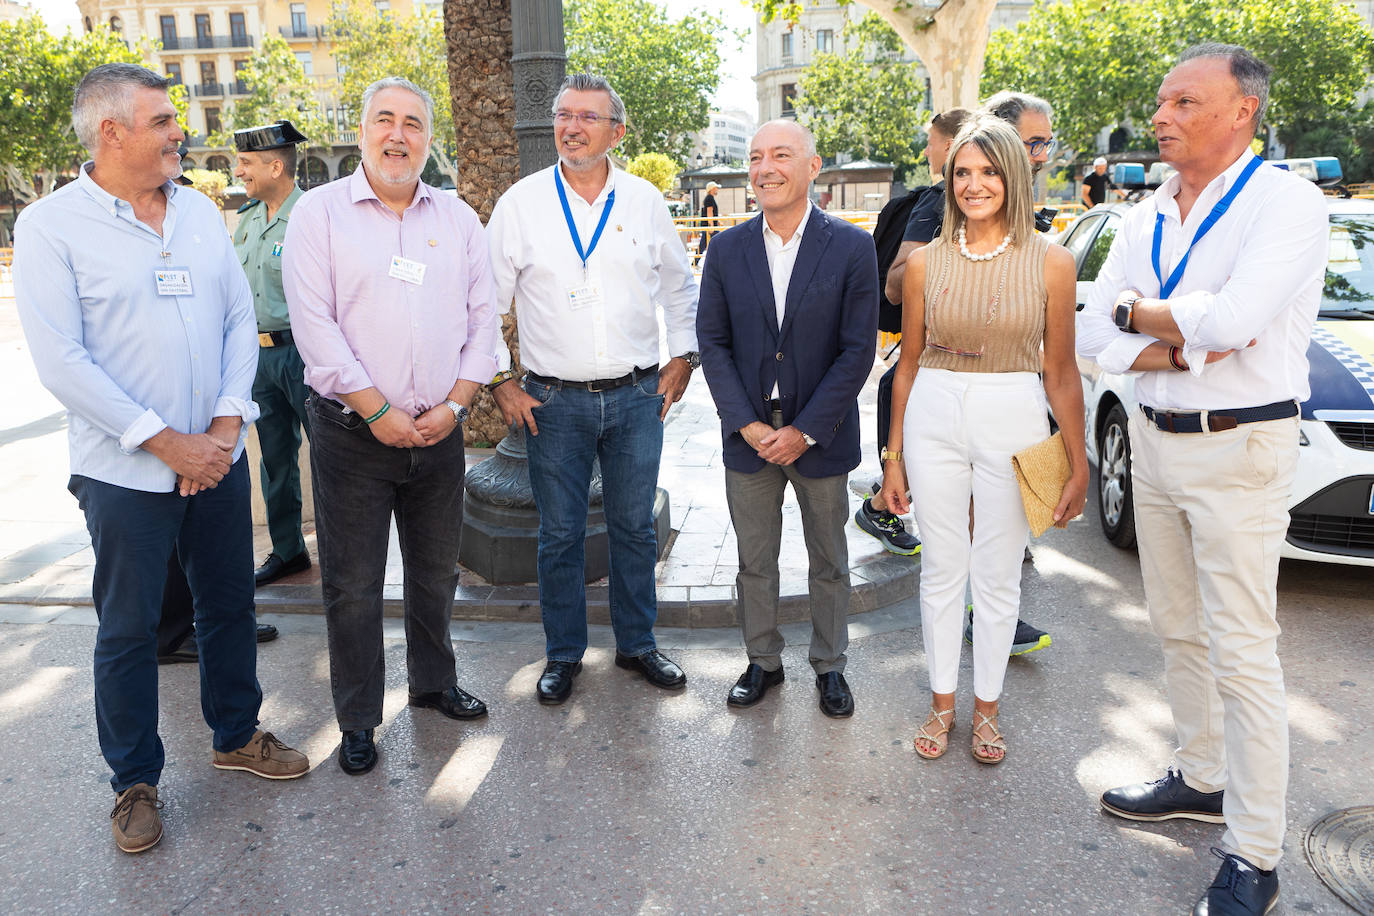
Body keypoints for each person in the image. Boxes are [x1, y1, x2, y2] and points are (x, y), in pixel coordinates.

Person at [13, 63, 309, 854]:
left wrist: (218, 429)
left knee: (229, 607)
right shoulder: (50, 227)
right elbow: (62, 362)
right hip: (123, 472)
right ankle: (135, 782)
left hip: (214, 454)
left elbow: (236, 318)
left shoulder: (202, 215)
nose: (182, 132)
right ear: (111, 132)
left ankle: (236, 735)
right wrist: (163, 439)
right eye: (163, 121)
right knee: (130, 628)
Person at [1080, 45, 1327, 916]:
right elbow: (1089, 330)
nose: (1161, 115)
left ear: (1241, 111)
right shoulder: (1149, 208)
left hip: (1239, 451)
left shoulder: (1285, 203)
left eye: (1184, 100)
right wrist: (1176, 337)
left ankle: (1255, 854)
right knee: (1177, 627)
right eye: (1160, 101)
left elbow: (1237, 320)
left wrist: (1145, 321)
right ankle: (1201, 774)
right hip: (1153, 440)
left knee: (1244, 653)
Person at [282, 77, 499, 775]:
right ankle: (357, 719)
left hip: (441, 431)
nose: (398, 134)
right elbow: (313, 327)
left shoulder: (459, 218)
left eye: (413, 123)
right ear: (363, 131)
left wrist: (457, 405)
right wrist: (377, 411)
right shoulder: (319, 214)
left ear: (429, 138)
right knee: (353, 584)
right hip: (352, 435)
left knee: (435, 573)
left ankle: (434, 684)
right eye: (384, 120)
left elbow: (483, 323)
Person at [486, 73, 699, 705]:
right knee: (559, 535)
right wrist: (501, 382)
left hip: (636, 397)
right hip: (553, 402)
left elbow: (679, 288)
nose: (571, 127)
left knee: (634, 527)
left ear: (617, 132)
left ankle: (638, 644)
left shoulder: (644, 202)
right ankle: (563, 654)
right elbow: (482, 307)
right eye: (562, 114)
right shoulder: (520, 204)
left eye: (587, 117)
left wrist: (683, 358)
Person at [883, 115, 1087, 764]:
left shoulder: (1053, 263)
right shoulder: (923, 265)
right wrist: (893, 457)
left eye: (988, 171)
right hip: (934, 414)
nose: (974, 185)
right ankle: (943, 703)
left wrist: (1077, 464)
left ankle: (989, 709)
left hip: (1015, 416)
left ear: (1015, 175)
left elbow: (1060, 371)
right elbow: (906, 364)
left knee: (998, 576)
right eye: (962, 173)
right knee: (943, 570)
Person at [696, 120, 878, 716]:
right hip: (748, 436)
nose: (764, 168)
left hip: (818, 438)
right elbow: (712, 343)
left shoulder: (851, 247)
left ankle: (830, 665)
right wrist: (747, 425)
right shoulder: (725, 250)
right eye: (755, 158)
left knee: (828, 558)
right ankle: (762, 661)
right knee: (755, 560)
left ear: (812, 166)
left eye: (780, 155)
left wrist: (803, 430)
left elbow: (858, 351)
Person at [887, 94, 1060, 657]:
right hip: (939, 397)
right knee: (948, 551)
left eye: (1043, 144)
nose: (1039, 155)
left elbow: (1057, 364)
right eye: (1030, 143)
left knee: (999, 556)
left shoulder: (1042, 246)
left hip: (1010, 407)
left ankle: (987, 634)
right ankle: (966, 630)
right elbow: (899, 286)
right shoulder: (938, 210)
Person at [859, 109, 974, 558]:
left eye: (931, 141)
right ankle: (881, 504)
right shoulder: (938, 200)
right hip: (932, 355)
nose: (925, 150)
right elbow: (894, 284)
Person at [233, 120, 314, 588]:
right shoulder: (246, 220)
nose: (239, 170)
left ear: (275, 165)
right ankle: (288, 551)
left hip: (304, 354)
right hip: (258, 358)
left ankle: (346, 549)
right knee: (275, 457)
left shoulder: (312, 215)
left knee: (328, 457)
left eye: (246, 163)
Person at [698, 180, 720, 256]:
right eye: (716, 188)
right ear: (712, 189)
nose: (717, 190)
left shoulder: (709, 198)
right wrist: (711, 225)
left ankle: (695, 261)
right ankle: (695, 260)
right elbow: (709, 212)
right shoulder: (709, 198)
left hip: (708, 225)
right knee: (718, 240)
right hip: (709, 225)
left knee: (703, 244)